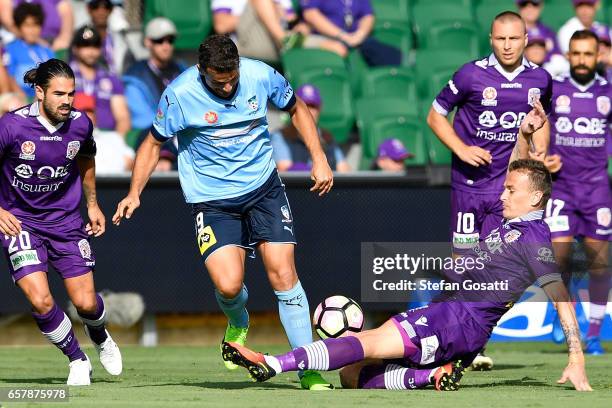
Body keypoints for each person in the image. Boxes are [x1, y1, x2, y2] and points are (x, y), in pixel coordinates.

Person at [223, 161, 593, 393]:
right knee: (351, 374)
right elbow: (519, 167)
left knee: (367, 342)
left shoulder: (534, 237)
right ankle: (427, 377)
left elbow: (560, 294)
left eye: (512, 190)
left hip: (455, 320)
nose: (504, 193)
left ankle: (274, 363)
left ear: (536, 199)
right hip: (458, 327)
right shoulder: (510, 223)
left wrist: (576, 357)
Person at [112, 34, 334, 390]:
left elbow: (297, 109)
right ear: (202, 70)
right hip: (213, 201)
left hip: (264, 190)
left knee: (282, 273)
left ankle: (308, 366)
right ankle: (238, 320)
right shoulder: (180, 95)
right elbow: (153, 143)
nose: (229, 84)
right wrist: (134, 193)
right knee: (229, 285)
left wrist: (318, 157)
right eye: (219, 79)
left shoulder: (260, 75)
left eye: (232, 75)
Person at [426, 11, 553, 370]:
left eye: (514, 39)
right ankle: (434, 329)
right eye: (501, 39)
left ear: (526, 39)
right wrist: (461, 149)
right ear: (491, 39)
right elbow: (435, 116)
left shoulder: (540, 78)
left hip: (506, 194)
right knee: (462, 264)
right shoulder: (470, 74)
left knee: (494, 268)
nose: (507, 45)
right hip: (468, 187)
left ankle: (471, 341)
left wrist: (540, 149)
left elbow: (543, 119)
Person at [0, 59, 122, 385]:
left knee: (85, 303)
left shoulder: (81, 124)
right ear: (39, 92)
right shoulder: (11, 126)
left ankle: (99, 334)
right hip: (20, 224)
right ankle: (77, 359)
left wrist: (93, 204)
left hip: (66, 222)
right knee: (39, 299)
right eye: (59, 94)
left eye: (71, 93)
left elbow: (86, 158)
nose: (67, 101)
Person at [543, 30, 611, 355]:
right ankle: (562, 314)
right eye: (577, 53)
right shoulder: (555, 88)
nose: (582, 60)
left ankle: (595, 334)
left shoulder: (608, 92)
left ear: (597, 56)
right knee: (560, 256)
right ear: (568, 55)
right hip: (562, 187)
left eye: (588, 54)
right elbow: (535, 125)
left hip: (597, 188)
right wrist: (542, 155)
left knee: (599, 262)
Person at [123, 17, 186, 132]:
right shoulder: (136, 77)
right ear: (148, 42)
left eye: (170, 40)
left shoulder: (182, 70)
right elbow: (143, 120)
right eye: (159, 40)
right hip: (153, 135)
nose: (166, 46)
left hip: (183, 132)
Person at [270, 84, 350, 172]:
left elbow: (344, 171)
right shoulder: (281, 136)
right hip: (295, 185)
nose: (309, 110)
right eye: (304, 106)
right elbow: (285, 171)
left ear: (319, 109)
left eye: (313, 106)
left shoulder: (326, 137)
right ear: (293, 109)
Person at [70, 25, 130, 138]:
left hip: (106, 137)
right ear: (75, 48)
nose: (91, 51)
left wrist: (115, 143)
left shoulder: (110, 79)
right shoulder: (64, 77)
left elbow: (123, 118)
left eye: (95, 45)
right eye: (85, 45)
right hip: (71, 136)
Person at [300, 0, 400, 65]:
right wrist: (341, 35)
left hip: (355, 37)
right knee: (339, 51)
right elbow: (310, 14)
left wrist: (360, 34)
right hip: (325, 37)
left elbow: (368, 15)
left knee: (391, 54)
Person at [211, 0, 305, 63]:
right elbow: (221, 26)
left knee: (318, 43)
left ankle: (287, 43)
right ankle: (285, 41)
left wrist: (275, 12)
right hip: (246, 45)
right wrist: (259, 14)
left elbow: (291, 19)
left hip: (277, 45)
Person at [3, 2, 55, 99]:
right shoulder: (10, 49)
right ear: (19, 27)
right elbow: (9, 78)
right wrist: (25, 101)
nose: (32, 30)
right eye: (27, 25)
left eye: (36, 25)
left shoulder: (47, 51)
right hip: (19, 100)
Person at [516, 0, 567, 75]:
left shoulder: (549, 32)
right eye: (524, 4)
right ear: (518, 6)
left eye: (534, 4)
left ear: (541, 6)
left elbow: (558, 58)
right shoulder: (511, 32)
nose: (530, 8)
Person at [0, 0, 74, 51]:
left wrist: (64, 39)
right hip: (22, 42)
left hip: (55, 43)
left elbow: (66, 12)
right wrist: (36, 39)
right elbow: (7, 19)